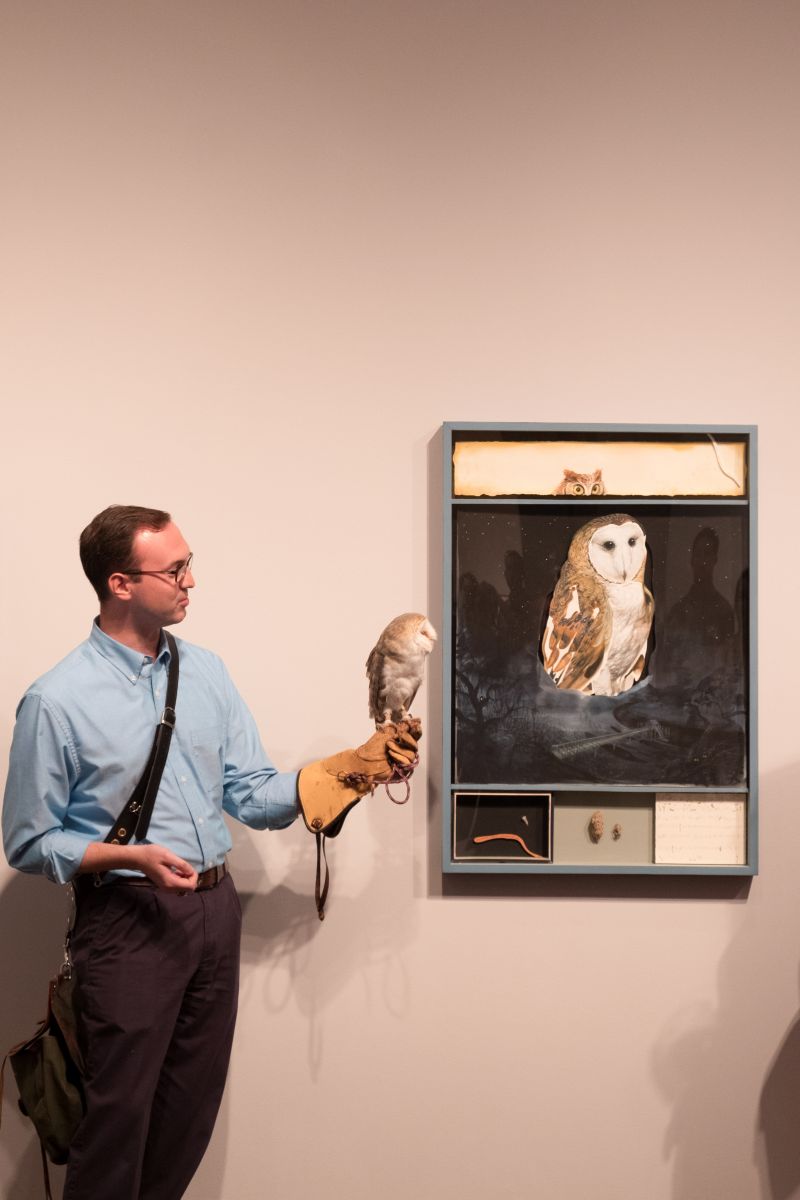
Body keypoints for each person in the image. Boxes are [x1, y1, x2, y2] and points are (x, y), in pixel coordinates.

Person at [2, 505, 420, 1200]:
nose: (192, 581)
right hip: (127, 922)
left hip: (215, 914)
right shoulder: (56, 700)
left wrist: (350, 768)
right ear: (120, 583)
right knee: (117, 1119)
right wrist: (131, 859)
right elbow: (28, 841)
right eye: (175, 569)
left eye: (189, 563)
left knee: (187, 1114)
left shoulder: (207, 674)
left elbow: (252, 792)